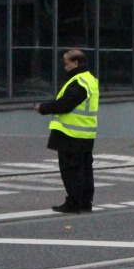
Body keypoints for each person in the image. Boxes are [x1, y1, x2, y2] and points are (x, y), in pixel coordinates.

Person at [35, 49, 99, 213]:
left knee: (71, 170)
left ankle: (73, 203)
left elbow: (65, 104)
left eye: (67, 63)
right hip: (86, 133)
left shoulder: (79, 82)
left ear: (76, 63)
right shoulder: (90, 79)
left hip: (71, 134)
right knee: (85, 169)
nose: (65, 67)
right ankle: (85, 202)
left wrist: (43, 108)